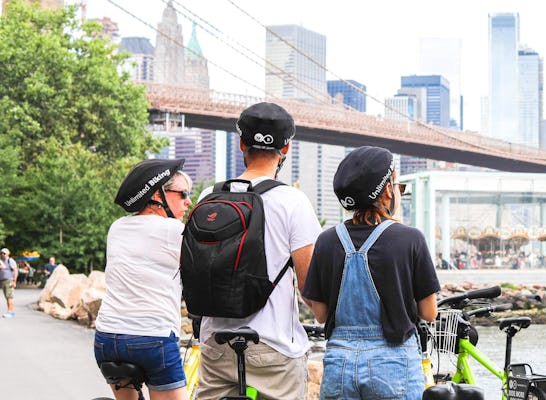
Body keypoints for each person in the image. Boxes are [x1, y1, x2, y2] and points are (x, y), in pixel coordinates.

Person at [195, 102, 321, 400]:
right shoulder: (293, 202)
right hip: (273, 348)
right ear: (286, 149)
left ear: (241, 144)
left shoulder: (208, 196)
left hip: (216, 344)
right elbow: (310, 286)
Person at [303, 146, 440, 400]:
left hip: (339, 366)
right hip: (393, 364)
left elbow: (321, 315)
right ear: (387, 190)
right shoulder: (410, 239)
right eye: (399, 187)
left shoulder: (326, 240)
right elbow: (429, 313)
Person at [94, 158, 193, 400]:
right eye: (183, 194)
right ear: (158, 195)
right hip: (152, 338)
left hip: (107, 339)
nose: (188, 201)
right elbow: (208, 268)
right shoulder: (173, 230)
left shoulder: (117, 227)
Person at [0, 248, 17, 318]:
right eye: (1, 253)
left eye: (4, 253)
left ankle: (10, 312)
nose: (2, 254)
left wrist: (14, 281)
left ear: (7, 254)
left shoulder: (10, 260)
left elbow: (15, 271)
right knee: (7, 297)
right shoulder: (2, 261)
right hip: (3, 281)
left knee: (9, 297)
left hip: (9, 280)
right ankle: (10, 312)